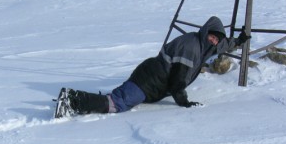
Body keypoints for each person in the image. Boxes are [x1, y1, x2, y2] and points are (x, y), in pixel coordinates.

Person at [54, 16, 243, 118]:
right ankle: (72, 100)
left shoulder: (204, 46)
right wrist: (184, 103)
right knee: (117, 103)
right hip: (149, 80)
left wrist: (238, 42)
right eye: (212, 36)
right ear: (205, 32)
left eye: (217, 38)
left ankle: (78, 100)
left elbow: (218, 48)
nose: (214, 40)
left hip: (152, 78)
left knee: (118, 99)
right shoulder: (191, 46)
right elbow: (177, 81)